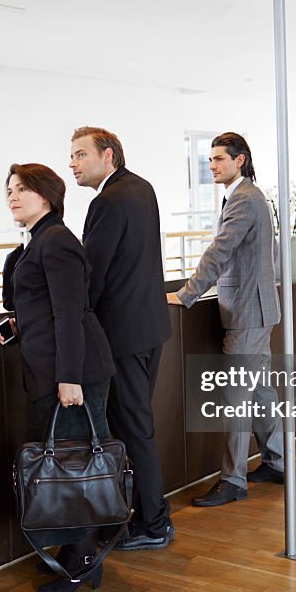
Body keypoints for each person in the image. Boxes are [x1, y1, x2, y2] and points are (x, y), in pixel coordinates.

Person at [0, 163, 115, 592]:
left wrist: (69, 378)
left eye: (21, 189)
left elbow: (68, 314)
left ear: (46, 195)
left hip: (73, 372)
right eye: (9, 189)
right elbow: (42, 307)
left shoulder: (57, 241)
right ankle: (74, 552)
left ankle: (84, 560)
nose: (12, 196)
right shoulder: (39, 240)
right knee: (67, 459)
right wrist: (14, 327)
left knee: (74, 464)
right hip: (55, 368)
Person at [69, 126, 175, 551]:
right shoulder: (142, 188)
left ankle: (154, 523)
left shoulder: (107, 201)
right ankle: (145, 518)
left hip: (124, 333)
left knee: (134, 428)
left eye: (80, 155)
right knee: (137, 424)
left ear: (107, 155)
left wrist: (75, 315)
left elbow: (92, 272)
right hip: (149, 327)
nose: (72, 164)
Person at [167, 132, 285, 507]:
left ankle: (233, 480)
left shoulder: (244, 199)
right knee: (261, 391)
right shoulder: (251, 196)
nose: (213, 165)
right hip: (257, 307)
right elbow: (273, 252)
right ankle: (277, 461)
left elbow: (219, 251)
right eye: (210, 160)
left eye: (219, 159)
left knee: (236, 397)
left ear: (240, 159)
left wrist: (187, 294)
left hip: (248, 312)